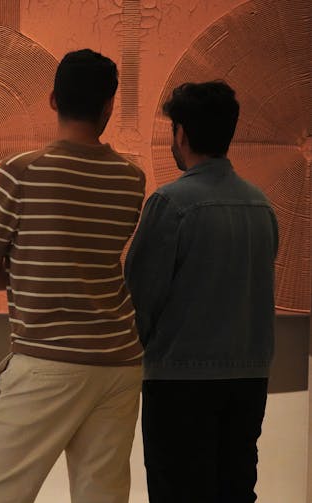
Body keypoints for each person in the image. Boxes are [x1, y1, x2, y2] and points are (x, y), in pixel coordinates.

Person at [0, 49, 146, 503]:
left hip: (47, 359)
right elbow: (91, 262)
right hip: (119, 362)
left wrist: (33, 265)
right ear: (108, 106)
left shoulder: (20, 171)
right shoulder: (131, 178)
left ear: (52, 99)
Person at [124, 81, 278, 503]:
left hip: (180, 380)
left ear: (181, 134)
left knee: (179, 491)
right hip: (248, 377)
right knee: (236, 490)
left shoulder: (170, 204)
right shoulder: (261, 206)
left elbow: (140, 296)